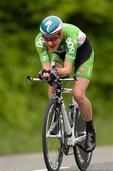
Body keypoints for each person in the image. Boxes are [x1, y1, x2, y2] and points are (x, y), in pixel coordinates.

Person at [35, 15, 96, 152]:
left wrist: (54, 71)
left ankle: (91, 130)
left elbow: (67, 70)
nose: (49, 43)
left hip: (82, 54)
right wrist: (46, 73)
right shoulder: (39, 41)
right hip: (60, 54)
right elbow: (46, 67)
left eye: (53, 38)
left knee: (78, 94)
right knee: (52, 87)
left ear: (61, 33)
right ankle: (57, 119)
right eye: (46, 38)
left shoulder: (70, 35)